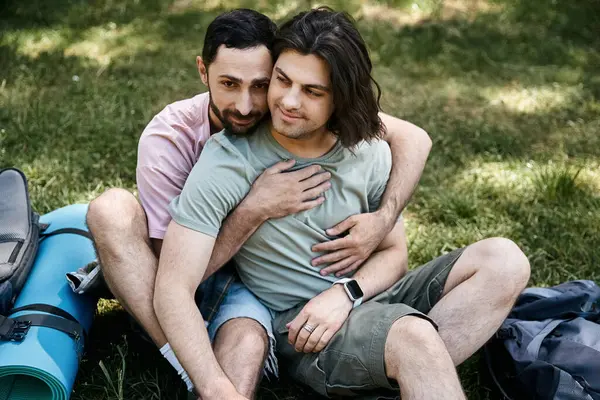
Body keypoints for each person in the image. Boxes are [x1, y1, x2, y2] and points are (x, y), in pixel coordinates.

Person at [156, 7, 531, 400]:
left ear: (341, 99)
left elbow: (395, 255)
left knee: (505, 261)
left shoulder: (368, 152)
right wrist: (216, 390)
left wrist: (346, 294)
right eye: (281, 81)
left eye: (312, 92)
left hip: (364, 298)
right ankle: (409, 363)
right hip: (302, 329)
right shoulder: (228, 161)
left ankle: (404, 372)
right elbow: (173, 289)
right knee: (413, 338)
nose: (288, 101)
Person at [85, 8, 434, 399]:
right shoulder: (171, 137)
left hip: (250, 281)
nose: (248, 105)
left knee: (247, 342)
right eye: (229, 84)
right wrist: (253, 210)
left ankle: (412, 368)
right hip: (197, 266)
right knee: (111, 211)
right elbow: (175, 273)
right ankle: (183, 362)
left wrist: (382, 222)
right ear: (203, 71)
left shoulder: (290, 106)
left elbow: (413, 138)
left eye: (261, 85)